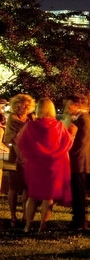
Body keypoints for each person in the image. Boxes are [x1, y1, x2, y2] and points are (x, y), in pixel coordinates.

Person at [15, 98, 75, 233]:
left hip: (35, 165)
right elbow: (66, 144)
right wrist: (72, 134)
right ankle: (43, 225)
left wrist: (30, 155)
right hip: (52, 166)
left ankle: (28, 225)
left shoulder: (30, 126)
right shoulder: (58, 126)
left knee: (33, 196)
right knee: (48, 197)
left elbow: (21, 142)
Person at [67, 95, 90, 231]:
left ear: (77, 105)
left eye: (69, 105)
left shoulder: (83, 120)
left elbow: (80, 144)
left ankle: (79, 221)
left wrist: (67, 153)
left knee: (78, 194)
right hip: (82, 161)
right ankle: (78, 220)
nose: (67, 108)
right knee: (78, 193)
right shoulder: (85, 119)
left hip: (79, 162)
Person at [4, 93, 33, 228]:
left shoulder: (31, 118)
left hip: (29, 157)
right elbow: (11, 137)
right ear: (16, 106)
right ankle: (13, 216)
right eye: (23, 105)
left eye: (28, 105)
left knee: (27, 187)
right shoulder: (12, 119)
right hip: (15, 157)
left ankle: (25, 215)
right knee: (14, 188)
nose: (25, 108)